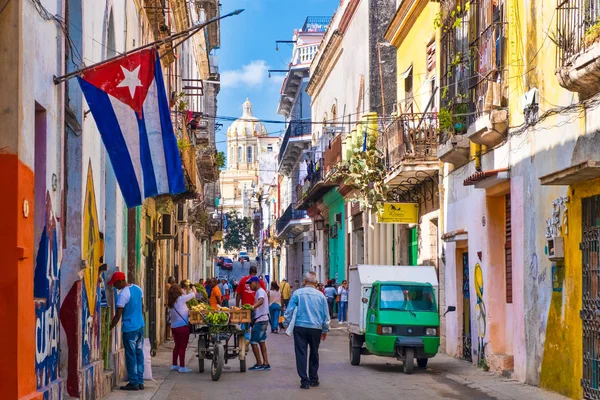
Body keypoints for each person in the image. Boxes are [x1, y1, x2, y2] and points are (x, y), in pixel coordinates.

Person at [283, 272, 330, 390]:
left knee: (301, 353)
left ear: (304, 282)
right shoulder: (321, 296)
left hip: (300, 327)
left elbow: (289, 311)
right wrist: (325, 329)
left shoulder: (298, 294)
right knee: (314, 352)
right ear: (315, 283)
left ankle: (304, 380)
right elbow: (326, 315)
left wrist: (285, 324)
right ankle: (314, 379)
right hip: (316, 328)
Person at [108, 271, 145, 391]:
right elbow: (142, 307)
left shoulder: (123, 295)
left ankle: (133, 382)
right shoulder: (138, 289)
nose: (114, 287)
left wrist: (109, 328)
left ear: (120, 281)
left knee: (130, 355)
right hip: (140, 327)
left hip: (130, 330)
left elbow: (118, 316)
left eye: (115, 284)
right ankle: (140, 381)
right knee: (139, 354)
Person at [168, 284, 196, 372]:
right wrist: (192, 286)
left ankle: (174, 364)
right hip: (182, 327)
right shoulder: (181, 299)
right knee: (182, 347)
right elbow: (194, 293)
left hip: (174, 327)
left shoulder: (171, 302)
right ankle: (182, 366)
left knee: (177, 346)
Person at [247, 276, 270, 371]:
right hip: (263, 319)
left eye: (250, 283)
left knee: (253, 342)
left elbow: (261, 301)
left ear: (256, 282)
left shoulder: (260, 291)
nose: (249, 286)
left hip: (260, 320)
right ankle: (266, 363)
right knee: (261, 341)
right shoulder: (260, 291)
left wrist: (252, 307)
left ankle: (259, 363)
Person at [165, 276, 176, 341]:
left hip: (170, 305)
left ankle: (170, 335)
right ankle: (168, 336)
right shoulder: (168, 286)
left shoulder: (171, 286)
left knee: (170, 321)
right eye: (173, 280)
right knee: (169, 321)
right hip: (169, 305)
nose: (174, 281)